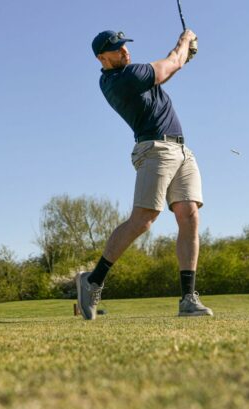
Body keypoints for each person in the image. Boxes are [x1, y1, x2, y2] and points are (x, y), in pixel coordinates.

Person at [76, 29, 213, 320]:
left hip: (181, 149)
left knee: (189, 214)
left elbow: (171, 67)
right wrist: (185, 41)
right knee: (144, 219)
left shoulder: (133, 73)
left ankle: (188, 298)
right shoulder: (122, 79)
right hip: (155, 149)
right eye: (116, 49)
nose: (124, 51)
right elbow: (170, 64)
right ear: (102, 58)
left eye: (125, 46)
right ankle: (93, 280)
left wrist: (184, 54)